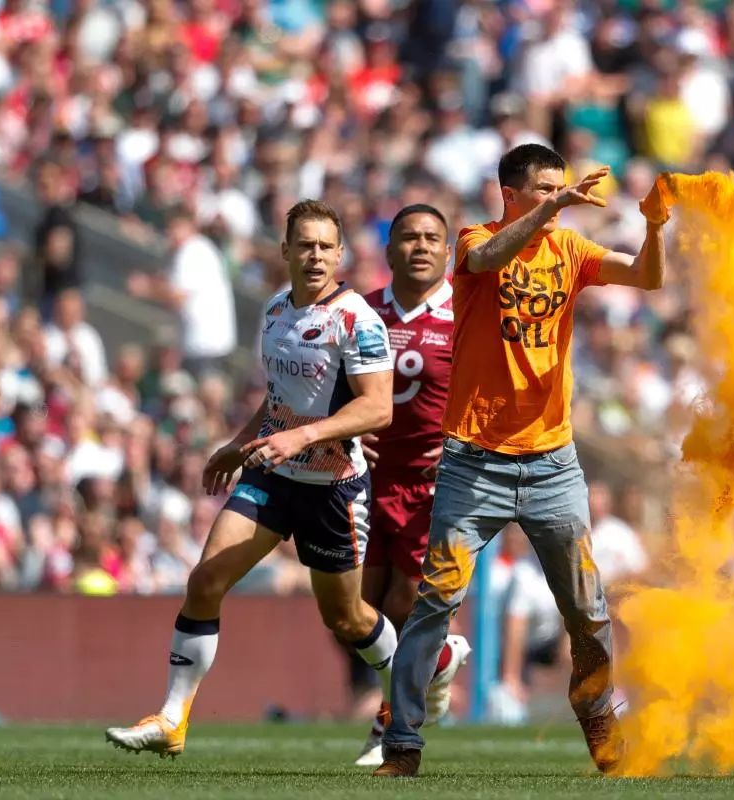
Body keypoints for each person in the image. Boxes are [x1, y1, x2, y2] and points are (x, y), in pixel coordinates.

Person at [374, 143, 673, 777]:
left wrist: (653, 226)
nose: (558, 198)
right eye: (543, 189)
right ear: (510, 193)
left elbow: (648, 277)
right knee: (436, 599)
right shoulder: (473, 240)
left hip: (553, 463)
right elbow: (487, 257)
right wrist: (554, 209)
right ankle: (402, 743)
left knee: (588, 609)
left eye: (560, 188)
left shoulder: (572, 250)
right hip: (473, 461)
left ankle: (596, 713)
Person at [104, 200, 397, 758]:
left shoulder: (357, 318)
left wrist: (303, 437)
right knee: (206, 580)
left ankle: (406, 695)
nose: (314, 256)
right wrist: (240, 444)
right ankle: (172, 720)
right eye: (303, 245)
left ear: (340, 254)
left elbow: (378, 409)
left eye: (324, 246)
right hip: (274, 477)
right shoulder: (274, 311)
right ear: (284, 251)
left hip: (333, 488)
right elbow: (277, 399)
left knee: (346, 617)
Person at [354, 204, 472, 767]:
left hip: (434, 483)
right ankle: (442, 656)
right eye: (409, 237)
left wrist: (460, 444)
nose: (421, 246)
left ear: (447, 251)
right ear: (390, 249)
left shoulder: (466, 313)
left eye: (432, 238)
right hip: (363, 479)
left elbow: (490, 392)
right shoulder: (364, 311)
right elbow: (333, 386)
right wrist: (345, 436)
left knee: (405, 602)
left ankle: (388, 729)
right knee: (353, 609)